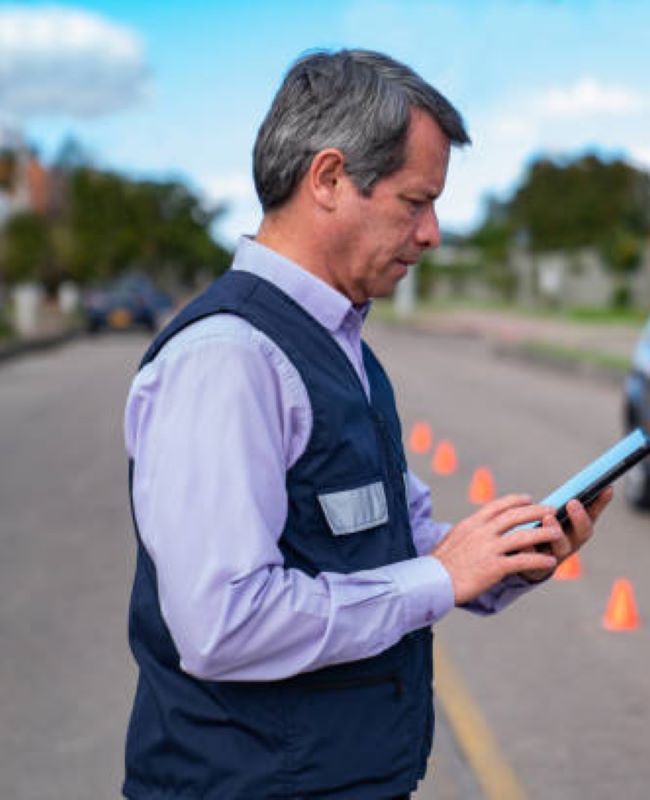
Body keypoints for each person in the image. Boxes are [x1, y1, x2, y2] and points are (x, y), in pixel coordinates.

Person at [121, 48, 612, 799]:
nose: (433, 233)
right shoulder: (229, 358)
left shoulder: (338, 344)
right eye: (415, 202)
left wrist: (502, 559)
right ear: (328, 179)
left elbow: (392, 544)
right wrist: (439, 579)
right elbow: (222, 623)